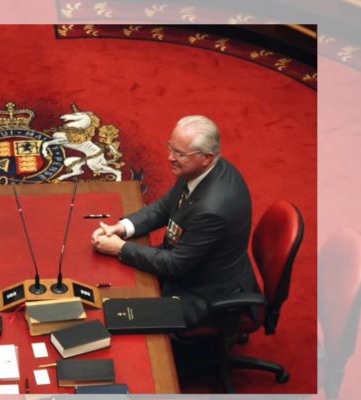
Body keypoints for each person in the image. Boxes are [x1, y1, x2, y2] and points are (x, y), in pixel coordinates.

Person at [92, 115, 259, 326]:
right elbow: (165, 206)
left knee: (123, 316)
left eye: (179, 153)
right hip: (188, 260)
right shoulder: (200, 170)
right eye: (170, 148)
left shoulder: (212, 210)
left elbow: (175, 265)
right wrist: (122, 228)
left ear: (206, 157)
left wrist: (120, 248)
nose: (170, 157)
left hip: (203, 291)